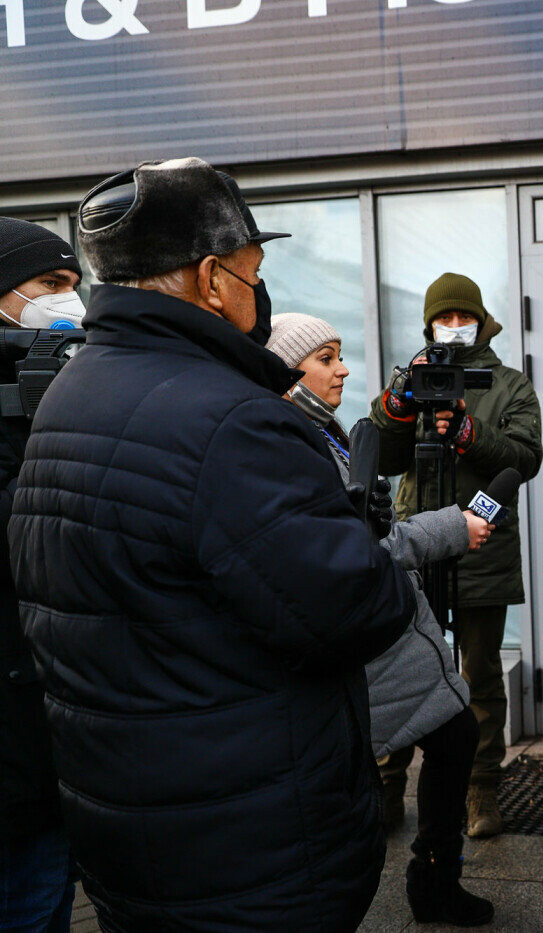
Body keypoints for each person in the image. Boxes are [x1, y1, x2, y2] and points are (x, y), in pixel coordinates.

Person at [8, 157, 419, 931]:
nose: (257, 290)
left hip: (131, 829)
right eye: (252, 269)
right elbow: (357, 608)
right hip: (250, 849)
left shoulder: (70, 392)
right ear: (210, 279)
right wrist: (361, 536)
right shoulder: (232, 419)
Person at [267, 312, 496, 926]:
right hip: (365, 639)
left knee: (454, 735)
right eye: (326, 358)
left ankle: (433, 878)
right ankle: (416, 883)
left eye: (340, 354)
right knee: (401, 757)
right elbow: (358, 549)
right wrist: (451, 527)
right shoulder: (291, 441)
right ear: (288, 370)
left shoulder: (324, 430)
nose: (342, 368)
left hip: (390, 634)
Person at [371, 271, 542, 839]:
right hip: (416, 545)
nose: (453, 326)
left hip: (480, 548)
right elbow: (383, 457)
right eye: (443, 319)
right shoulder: (415, 377)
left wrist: (469, 431)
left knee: (481, 676)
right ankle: (387, 789)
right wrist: (399, 405)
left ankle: (481, 793)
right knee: (398, 670)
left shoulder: (510, 384)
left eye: (461, 316)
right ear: (428, 326)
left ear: (481, 319)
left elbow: (526, 457)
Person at [0, 218, 82, 932]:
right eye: (52, 286)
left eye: (76, 286)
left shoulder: (56, 399)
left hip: (46, 759)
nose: (71, 303)